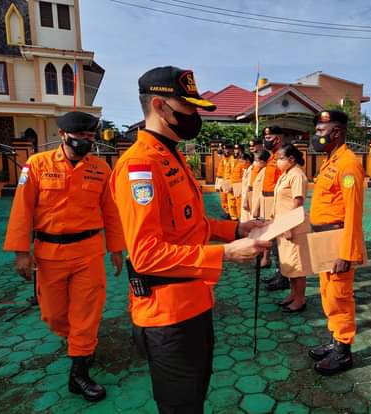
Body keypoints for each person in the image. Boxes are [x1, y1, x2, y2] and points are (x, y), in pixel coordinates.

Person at [110, 66, 270, 414]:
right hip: (166, 315)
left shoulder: (173, 155)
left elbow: (190, 223)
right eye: (189, 108)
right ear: (160, 106)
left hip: (196, 303)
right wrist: (225, 253)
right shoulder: (140, 165)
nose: (195, 117)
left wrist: (237, 229)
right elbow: (146, 255)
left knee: (194, 398)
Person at [3, 111, 125, 402]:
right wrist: (22, 252)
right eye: (81, 137)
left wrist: (116, 249)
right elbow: (22, 209)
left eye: (91, 138)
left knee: (87, 312)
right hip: (50, 254)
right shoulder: (36, 165)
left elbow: (111, 211)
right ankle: (78, 344)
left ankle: (79, 371)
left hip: (89, 252)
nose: (87, 142)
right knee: (54, 315)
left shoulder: (100, 169)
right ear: (63, 135)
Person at [308, 110, 366, 375]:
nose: (317, 136)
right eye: (317, 131)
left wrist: (348, 252)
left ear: (336, 132)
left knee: (340, 297)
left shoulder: (348, 163)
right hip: (323, 237)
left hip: (338, 240)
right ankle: (335, 340)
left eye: (321, 131)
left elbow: (354, 211)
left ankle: (343, 352)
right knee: (326, 294)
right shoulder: (330, 160)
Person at [273, 144, 310, 313]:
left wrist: (289, 225)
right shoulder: (286, 174)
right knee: (289, 265)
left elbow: (297, 201)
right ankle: (293, 294)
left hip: (294, 227)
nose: (277, 162)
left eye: (280, 159)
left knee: (298, 265)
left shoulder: (297, 174)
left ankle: (300, 299)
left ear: (291, 159)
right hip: (283, 225)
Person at [261, 126, 289, 291]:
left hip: (277, 202)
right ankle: (279, 273)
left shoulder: (282, 158)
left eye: (269, 137)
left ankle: (283, 276)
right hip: (268, 201)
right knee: (273, 242)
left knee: (280, 243)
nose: (266, 140)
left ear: (277, 139)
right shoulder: (272, 157)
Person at [229, 143, 249, 221]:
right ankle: (235, 219)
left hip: (240, 185)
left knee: (240, 203)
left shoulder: (244, 159)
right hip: (234, 183)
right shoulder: (233, 159)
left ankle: (240, 220)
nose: (236, 151)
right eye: (235, 149)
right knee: (233, 203)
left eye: (238, 149)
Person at [219, 143, 234, 218]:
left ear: (232, 150)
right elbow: (220, 171)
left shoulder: (233, 159)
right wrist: (219, 183)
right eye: (225, 149)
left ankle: (232, 215)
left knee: (230, 200)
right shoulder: (223, 159)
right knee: (223, 199)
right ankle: (227, 213)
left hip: (230, 181)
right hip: (223, 180)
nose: (226, 150)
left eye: (228, 149)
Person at [239, 152, 254, 223]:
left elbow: (249, 186)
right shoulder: (246, 170)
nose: (241, 164)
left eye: (242, 161)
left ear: (247, 160)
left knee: (248, 217)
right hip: (244, 195)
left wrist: (245, 200)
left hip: (248, 197)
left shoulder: (251, 170)